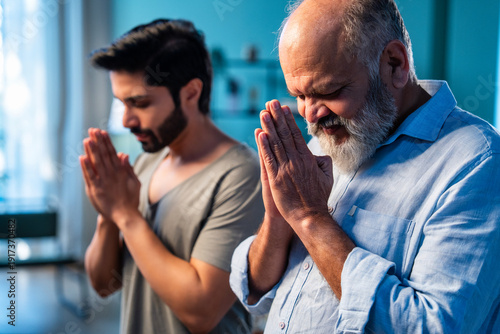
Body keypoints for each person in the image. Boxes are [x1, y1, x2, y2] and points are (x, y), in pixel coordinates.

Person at [229, 0, 500, 333]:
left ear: (394, 64)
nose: (310, 115)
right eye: (299, 95)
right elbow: (255, 292)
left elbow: (432, 327)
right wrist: (277, 219)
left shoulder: (478, 163)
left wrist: (310, 219)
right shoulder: (327, 141)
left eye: (329, 90)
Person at [80, 19, 264, 334]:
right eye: (121, 103)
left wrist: (125, 214)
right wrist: (107, 214)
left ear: (191, 92)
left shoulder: (242, 176)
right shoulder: (144, 164)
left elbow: (201, 312)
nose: (126, 120)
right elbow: (103, 284)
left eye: (140, 103)